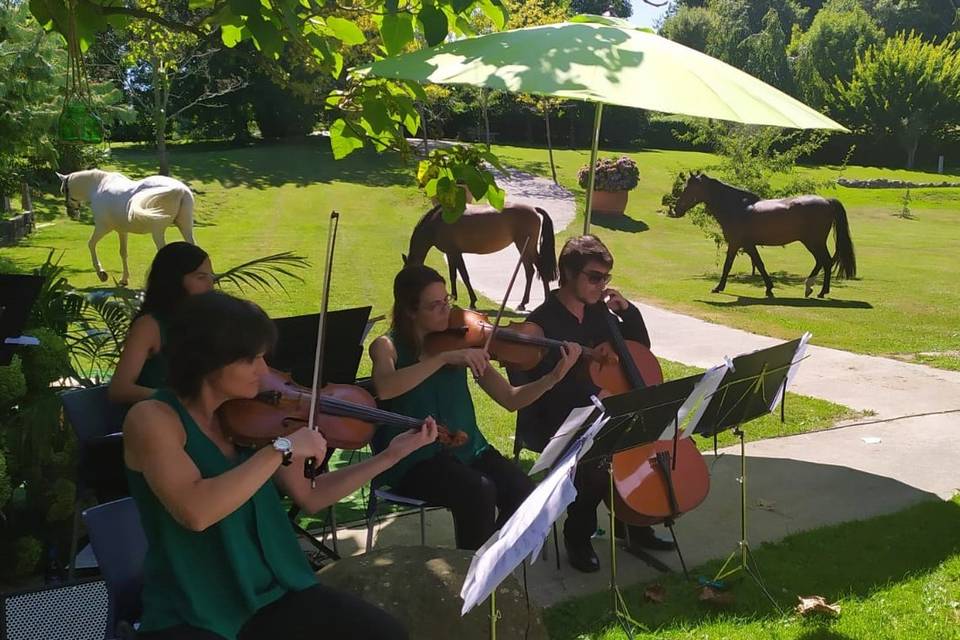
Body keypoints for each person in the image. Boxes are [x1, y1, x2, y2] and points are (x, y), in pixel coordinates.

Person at [124, 291, 436, 640]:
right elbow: (196, 511)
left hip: (270, 592)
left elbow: (312, 496)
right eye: (251, 360)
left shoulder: (250, 418)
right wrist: (282, 447)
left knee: (384, 633)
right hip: (193, 609)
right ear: (207, 361)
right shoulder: (153, 419)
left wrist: (390, 455)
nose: (264, 370)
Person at [368, 265, 581, 550]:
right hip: (414, 459)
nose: (446, 311)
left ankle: (489, 563)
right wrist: (443, 359)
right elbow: (385, 387)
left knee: (522, 490)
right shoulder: (387, 346)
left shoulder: (459, 341)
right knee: (479, 491)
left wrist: (552, 378)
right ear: (410, 310)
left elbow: (510, 398)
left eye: (447, 301)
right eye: (435, 306)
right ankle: (474, 579)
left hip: (467, 448)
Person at [509, 235, 674, 573]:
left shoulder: (598, 311)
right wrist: (590, 393)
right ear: (567, 273)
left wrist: (629, 311)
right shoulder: (542, 322)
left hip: (600, 409)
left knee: (637, 439)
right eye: (594, 277)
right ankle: (578, 536)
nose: (601, 285)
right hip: (555, 417)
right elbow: (534, 385)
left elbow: (636, 350)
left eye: (605, 278)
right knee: (597, 461)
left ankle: (634, 522)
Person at [109, 242, 214, 404]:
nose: (210, 285)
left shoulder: (204, 321)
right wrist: (176, 400)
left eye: (211, 277)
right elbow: (120, 389)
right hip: (152, 419)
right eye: (201, 277)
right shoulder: (149, 326)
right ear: (174, 280)